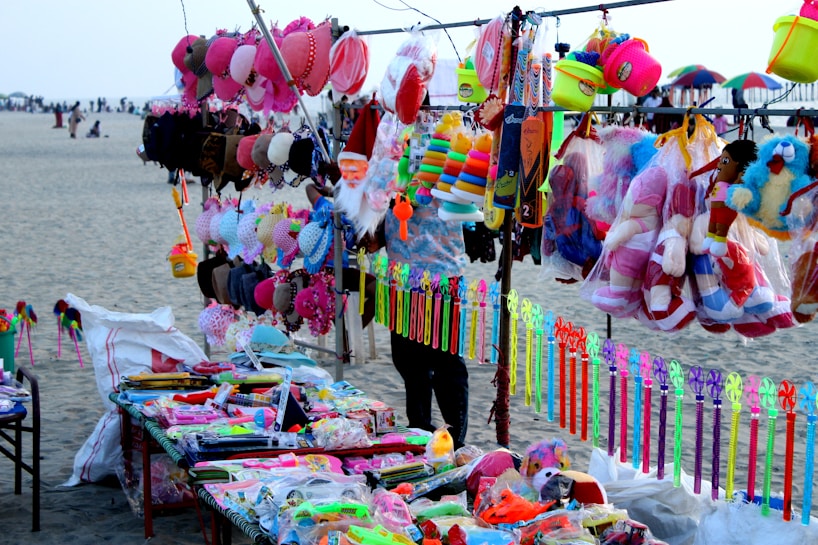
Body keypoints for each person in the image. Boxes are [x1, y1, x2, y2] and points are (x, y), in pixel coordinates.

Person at [383, 200, 470, 449]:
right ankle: (420, 429)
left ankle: (455, 439)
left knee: (446, 360)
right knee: (408, 360)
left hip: (441, 272)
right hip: (400, 274)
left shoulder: (446, 161)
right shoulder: (389, 163)